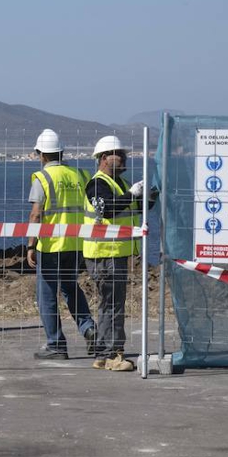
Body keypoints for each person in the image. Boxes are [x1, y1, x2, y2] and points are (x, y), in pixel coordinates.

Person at [83, 135, 156, 372]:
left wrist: (150, 195)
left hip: (114, 252)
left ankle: (103, 355)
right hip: (104, 253)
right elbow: (107, 209)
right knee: (112, 305)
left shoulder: (120, 184)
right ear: (104, 158)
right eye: (118, 154)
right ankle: (112, 354)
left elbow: (132, 207)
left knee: (109, 304)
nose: (123, 158)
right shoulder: (97, 184)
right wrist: (132, 194)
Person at [26, 129, 97, 361]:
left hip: (51, 246)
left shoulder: (42, 178)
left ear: (41, 154)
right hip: (77, 243)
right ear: (61, 152)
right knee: (69, 287)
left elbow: (36, 215)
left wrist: (30, 245)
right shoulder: (80, 175)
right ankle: (89, 328)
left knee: (46, 295)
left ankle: (56, 344)